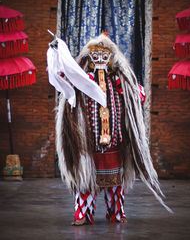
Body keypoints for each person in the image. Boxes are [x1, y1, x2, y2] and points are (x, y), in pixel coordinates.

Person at [54, 33, 171, 226]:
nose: (100, 59)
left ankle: (116, 213)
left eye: (104, 55)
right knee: (86, 181)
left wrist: (125, 84)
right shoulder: (82, 79)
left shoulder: (119, 79)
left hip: (114, 141)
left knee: (115, 182)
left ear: (112, 57)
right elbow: (63, 82)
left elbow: (139, 96)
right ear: (89, 57)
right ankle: (83, 214)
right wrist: (57, 54)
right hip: (88, 141)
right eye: (96, 55)